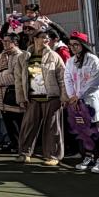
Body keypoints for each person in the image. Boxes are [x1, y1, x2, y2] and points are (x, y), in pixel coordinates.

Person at [15, 28, 66, 166]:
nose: (46, 40)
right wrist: (21, 98)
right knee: (28, 126)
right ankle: (24, 153)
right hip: (32, 97)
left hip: (51, 97)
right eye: (43, 37)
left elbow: (62, 78)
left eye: (47, 38)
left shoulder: (54, 56)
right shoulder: (23, 57)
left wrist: (63, 97)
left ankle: (53, 156)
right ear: (35, 39)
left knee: (52, 128)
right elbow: (18, 79)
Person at [64, 32, 99, 174]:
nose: (73, 48)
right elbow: (67, 79)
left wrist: (78, 96)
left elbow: (94, 82)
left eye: (76, 45)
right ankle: (88, 157)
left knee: (93, 129)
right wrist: (72, 96)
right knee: (82, 130)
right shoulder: (71, 61)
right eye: (70, 45)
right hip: (76, 102)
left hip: (89, 101)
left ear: (83, 45)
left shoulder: (94, 61)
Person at [0, 34, 24, 153]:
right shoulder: (0, 56)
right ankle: (13, 143)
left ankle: (21, 145)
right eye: (4, 41)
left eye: (8, 41)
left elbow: (17, 75)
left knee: (17, 120)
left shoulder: (20, 56)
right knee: (7, 119)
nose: (5, 43)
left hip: (14, 91)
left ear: (15, 42)